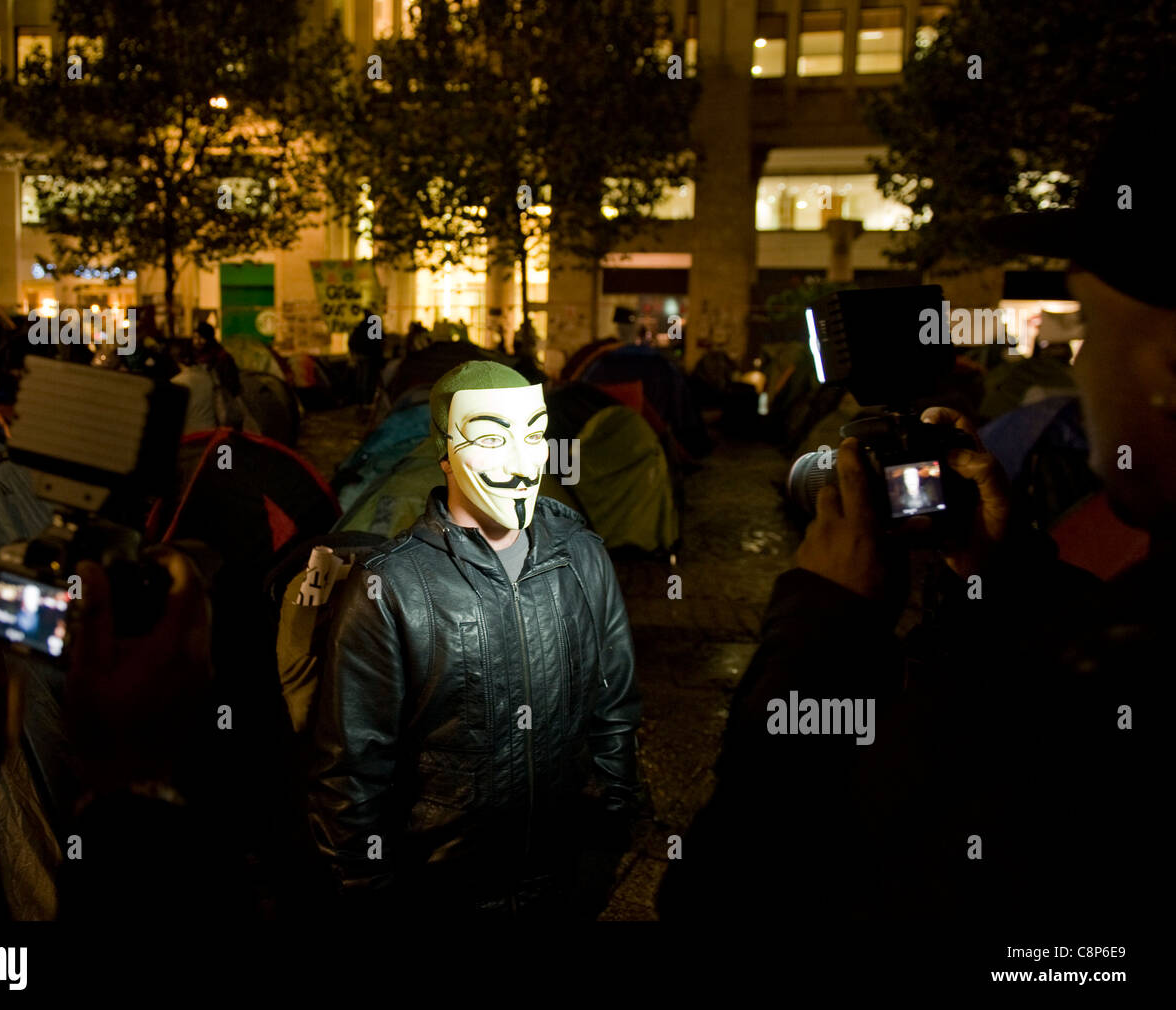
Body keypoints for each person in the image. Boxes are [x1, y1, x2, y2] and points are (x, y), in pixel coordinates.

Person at [658, 94, 1168, 936]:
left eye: (1090, 330)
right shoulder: (1119, 637)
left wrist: (820, 628)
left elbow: (729, 898)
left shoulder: (1107, 711)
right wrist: (1007, 580)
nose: (1079, 369)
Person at [307, 361, 642, 920]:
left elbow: (615, 708)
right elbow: (350, 768)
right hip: (444, 890)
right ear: (444, 452)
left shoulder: (581, 555)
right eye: (490, 437)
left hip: (562, 881)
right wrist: (368, 888)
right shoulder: (390, 588)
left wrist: (610, 827)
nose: (520, 462)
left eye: (534, 434)